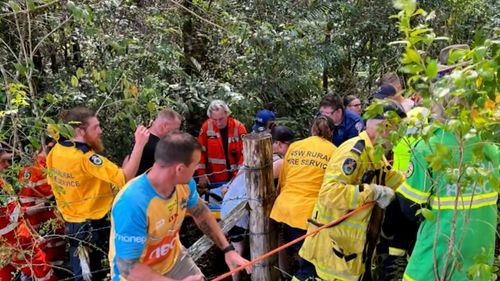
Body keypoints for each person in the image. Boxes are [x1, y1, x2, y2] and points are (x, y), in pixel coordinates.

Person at [109, 131, 251, 281]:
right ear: (180, 169)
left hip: (174, 261)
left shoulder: (184, 184)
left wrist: (228, 250)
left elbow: (200, 212)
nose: (197, 169)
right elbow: (127, 267)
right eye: (195, 164)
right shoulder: (132, 202)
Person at [299, 102, 407, 281]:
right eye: (397, 129)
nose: (399, 137)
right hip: (332, 248)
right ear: (384, 127)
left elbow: (392, 178)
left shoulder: (375, 155)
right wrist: (373, 192)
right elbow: (330, 193)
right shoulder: (353, 153)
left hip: (351, 248)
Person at [46, 107, 150, 281]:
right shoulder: (85, 158)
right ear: (80, 131)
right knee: (93, 274)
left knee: (87, 272)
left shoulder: (56, 151)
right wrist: (139, 144)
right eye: (96, 127)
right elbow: (124, 178)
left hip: (73, 224)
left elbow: (54, 183)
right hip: (91, 226)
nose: (100, 131)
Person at [220, 125, 296, 281]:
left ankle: (238, 278)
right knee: (262, 242)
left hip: (230, 207)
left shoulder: (253, 157)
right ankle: (278, 275)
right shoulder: (277, 162)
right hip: (241, 208)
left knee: (239, 247)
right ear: (279, 145)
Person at [270, 116, 337, 280]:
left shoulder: (295, 147)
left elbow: (283, 180)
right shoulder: (335, 151)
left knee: (307, 261)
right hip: (310, 216)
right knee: (312, 266)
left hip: (285, 210)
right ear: (332, 132)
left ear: (312, 129)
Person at [0, 148, 57, 281]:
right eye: (3, 161)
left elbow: (17, 212)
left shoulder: (4, 184)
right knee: (44, 273)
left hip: (17, 238)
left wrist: (35, 235)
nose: (7, 165)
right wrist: (45, 205)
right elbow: (16, 214)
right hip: (16, 241)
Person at [18, 137, 66, 268]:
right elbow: (50, 196)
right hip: (42, 222)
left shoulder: (30, 169)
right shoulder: (37, 170)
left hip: (38, 222)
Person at [197, 100, 247, 187]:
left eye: (221, 119)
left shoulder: (239, 128)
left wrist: (238, 176)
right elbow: (200, 152)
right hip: (215, 179)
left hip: (236, 177)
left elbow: (245, 154)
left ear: (227, 114)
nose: (218, 123)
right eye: (215, 120)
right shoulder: (206, 127)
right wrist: (201, 174)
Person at [123, 109, 182, 176]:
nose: (176, 133)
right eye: (175, 129)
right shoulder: (159, 148)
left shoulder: (140, 135)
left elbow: (127, 158)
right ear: (164, 126)